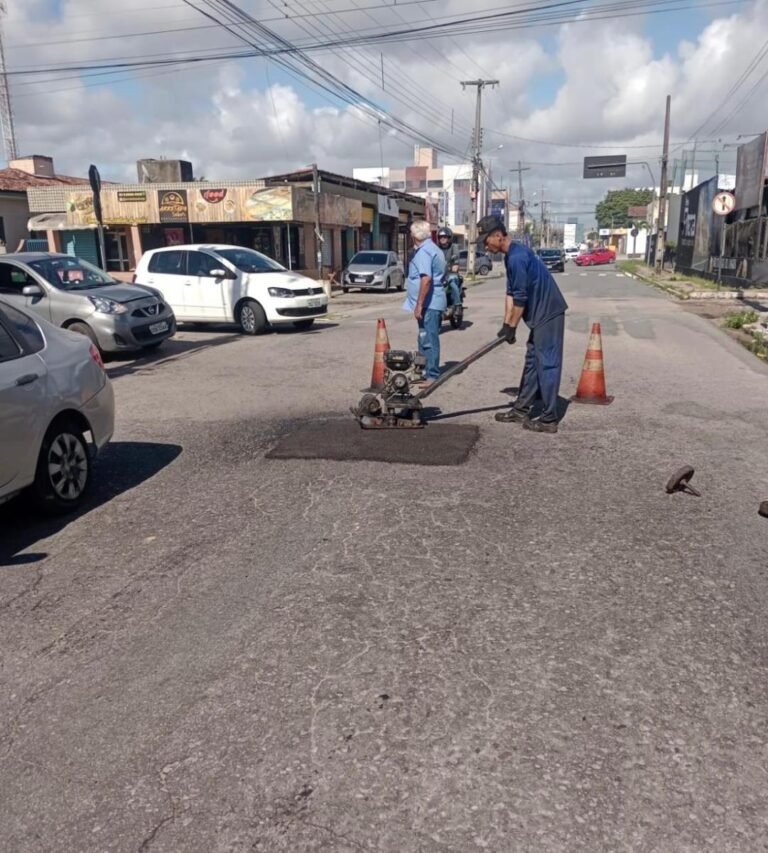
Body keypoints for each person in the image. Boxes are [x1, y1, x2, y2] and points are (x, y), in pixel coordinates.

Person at [477, 214, 568, 434]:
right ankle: (521, 409)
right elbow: (510, 293)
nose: (485, 246)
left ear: (498, 235)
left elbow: (520, 298)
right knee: (532, 363)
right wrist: (506, 324)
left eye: (486, 240)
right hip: (538, 316)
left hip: (548, 313)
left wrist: (513, 326)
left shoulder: (517, 257)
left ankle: (548, 419)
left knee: (546, 364)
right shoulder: (510, 255)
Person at [403, 220, 446, 386]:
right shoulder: (432, 249)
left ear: (414, 237)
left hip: (429, 304)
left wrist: (419, 305)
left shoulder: (424, 252)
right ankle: (422, 369)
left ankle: (432, 374)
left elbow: (426, 279)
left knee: (429, 337)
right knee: (423, 337)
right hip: (430, 302)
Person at [437, 226, 463, 309]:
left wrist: (455, 264)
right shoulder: (436, 248)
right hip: (440, 275)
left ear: (449, 238)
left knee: (452, 283)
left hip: (451, 273)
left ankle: (458, 305)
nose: (442, 239)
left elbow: (455, 257)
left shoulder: (453, 247)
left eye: (444, 237)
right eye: (441, 237)